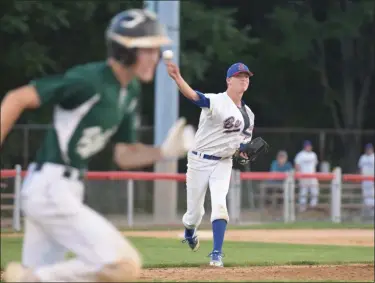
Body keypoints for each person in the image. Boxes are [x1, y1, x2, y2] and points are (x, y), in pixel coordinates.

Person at [0, 9, 193, 282]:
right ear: (124, 50)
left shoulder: (129, 91)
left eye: (155, 49)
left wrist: (163, 152)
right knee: (123, 265)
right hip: (50, 188)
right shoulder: (90, 80)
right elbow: (17, 98)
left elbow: (124, 155)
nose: (155, 57)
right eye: (146, 49)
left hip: (63, 189)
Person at [166, 60, 255, 267]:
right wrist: (178, 78)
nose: (244, 80)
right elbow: (194, 96)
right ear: (228, 81)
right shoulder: (217, 101)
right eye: (240, 76)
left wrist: (244, 154)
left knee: (220, 205)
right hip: (199, 160)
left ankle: (216, 254)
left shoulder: (248, 115)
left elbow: (243, 146)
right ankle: (189, 231)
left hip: (223, 162)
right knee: (194, 214)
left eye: (247, 77)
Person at [294, 140, 319, 212]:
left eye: (310, 146)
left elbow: (315, 165)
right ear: (305, 147)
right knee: (303, 192)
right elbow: (297, 165)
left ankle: (313, 206)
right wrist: (298, 174)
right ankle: (302, 207)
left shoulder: (313, 154)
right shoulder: (300, 155)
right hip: (303, 176)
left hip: (312, 176)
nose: (309, 147)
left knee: (315, 191)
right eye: (307, 146)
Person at [358, 143, 374, 217]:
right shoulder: (363, 157)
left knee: (372, 195)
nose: (368, 150)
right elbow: (360, 169)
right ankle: (367, 214)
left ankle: (372, 213)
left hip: (372, 180)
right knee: (365, 196)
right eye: (367, 149)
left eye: (370, 148)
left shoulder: (373, 157)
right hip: (364, 180)